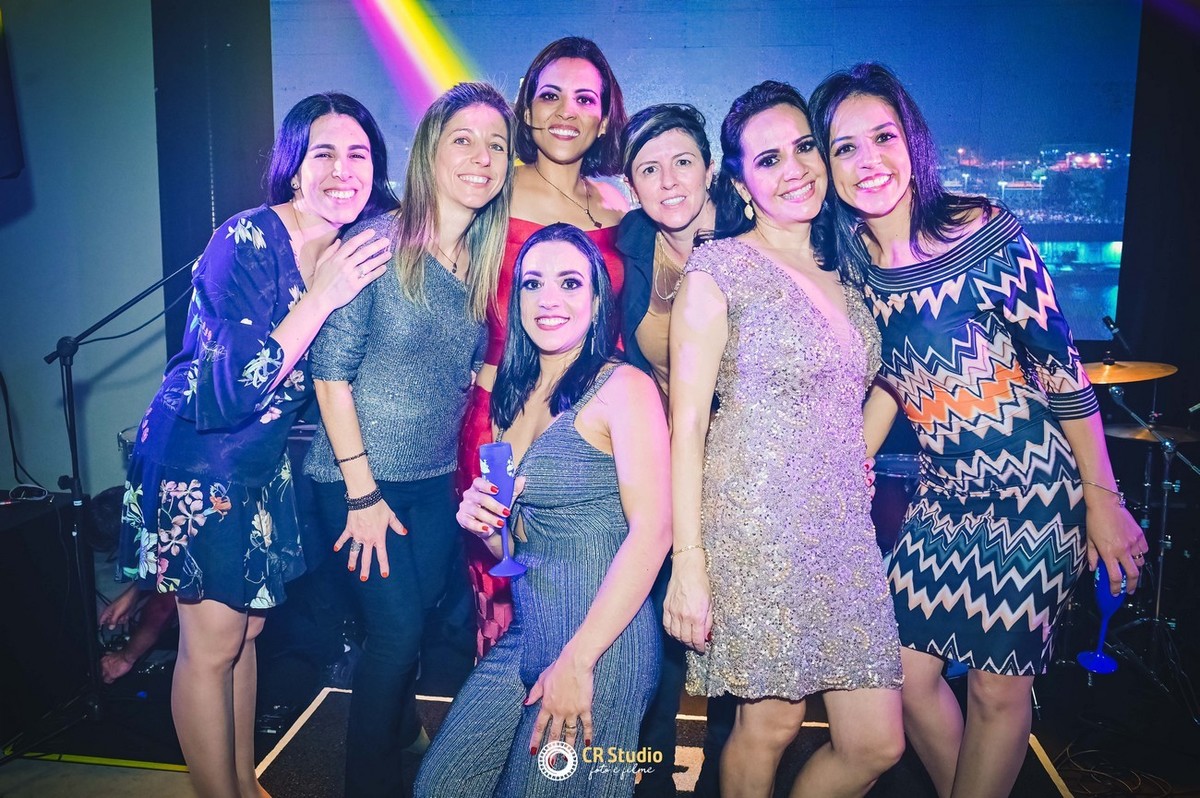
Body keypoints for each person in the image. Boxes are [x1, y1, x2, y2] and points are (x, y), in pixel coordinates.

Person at [809, 62, 1149, 798]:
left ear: (912, 140)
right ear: (827, 165)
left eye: (883, 137)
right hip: (943, 496)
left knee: (997, 690)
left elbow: (1064, 372)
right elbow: (896, 377)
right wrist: (847, 464)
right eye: (845, 147)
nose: (869, 161)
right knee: (902, 678)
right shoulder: (856, 265)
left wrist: (1103, 498)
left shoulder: (985, 231)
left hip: (1036, 492)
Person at [118, 92, 396, 797]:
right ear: (294, 168)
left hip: (260, 468)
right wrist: (321, 295)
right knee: (209, 648)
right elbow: (230, 391)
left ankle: (244, 783)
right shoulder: (245, 239)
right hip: (198, 458)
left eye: (358, 154)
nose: (343, 170)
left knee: (245, 639)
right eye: (324, 153)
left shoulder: (348, 248)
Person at [664, 81, 905, 798]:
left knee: (876, 743)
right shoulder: (718, 269)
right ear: (741, 183)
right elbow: (687, 425)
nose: (794, 169)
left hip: (841, 530)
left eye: (804, 148)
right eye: (768, 160)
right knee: (769, 726)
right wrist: (688, 562)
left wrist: (856, 455)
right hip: (755, 526)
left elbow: (885, 381)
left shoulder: (849, 269)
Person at [301, 82, 515, 798]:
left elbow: (469, 373)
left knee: (415, 624)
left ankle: (396, 729)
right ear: (429, 151)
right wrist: (362, 495)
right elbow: (330, 375)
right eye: (464, 140)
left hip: (431, 480)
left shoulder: (475, 262)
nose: (481, 157)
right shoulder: (377, 243)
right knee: (394, 639)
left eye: (496, 145)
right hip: (358, 478)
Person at [416, 223, 670, 797]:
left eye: (570, 282)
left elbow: (654, 532)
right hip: (531, 630)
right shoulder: (512, 396)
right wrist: (485, 524)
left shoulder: (623, 387)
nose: (549, 298)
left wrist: (579, 661)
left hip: (603, 644)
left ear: (597, 299)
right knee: (440, 785)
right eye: (533, 283)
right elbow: (517, 547)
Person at [456, 36, 630, 657]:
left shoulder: (618, 203)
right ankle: (511, 712)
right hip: (503, 416)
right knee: (511, 599)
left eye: (585, 99)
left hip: (592, 428)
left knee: (588, 586)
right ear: (526, 108)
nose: (565, 111)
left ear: (604, 118)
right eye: (550, 95)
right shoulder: (493, 189)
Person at [615, 102, 730, 797]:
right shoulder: (631, 242)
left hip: (741, 473)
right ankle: (650, 778)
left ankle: (722, 779)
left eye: (683, 162)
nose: (668, 182)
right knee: (655, 642)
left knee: (732, 649)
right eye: (648, 169)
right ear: (631, 185)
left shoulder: (754, 236)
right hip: (660, 471)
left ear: (710, 169)